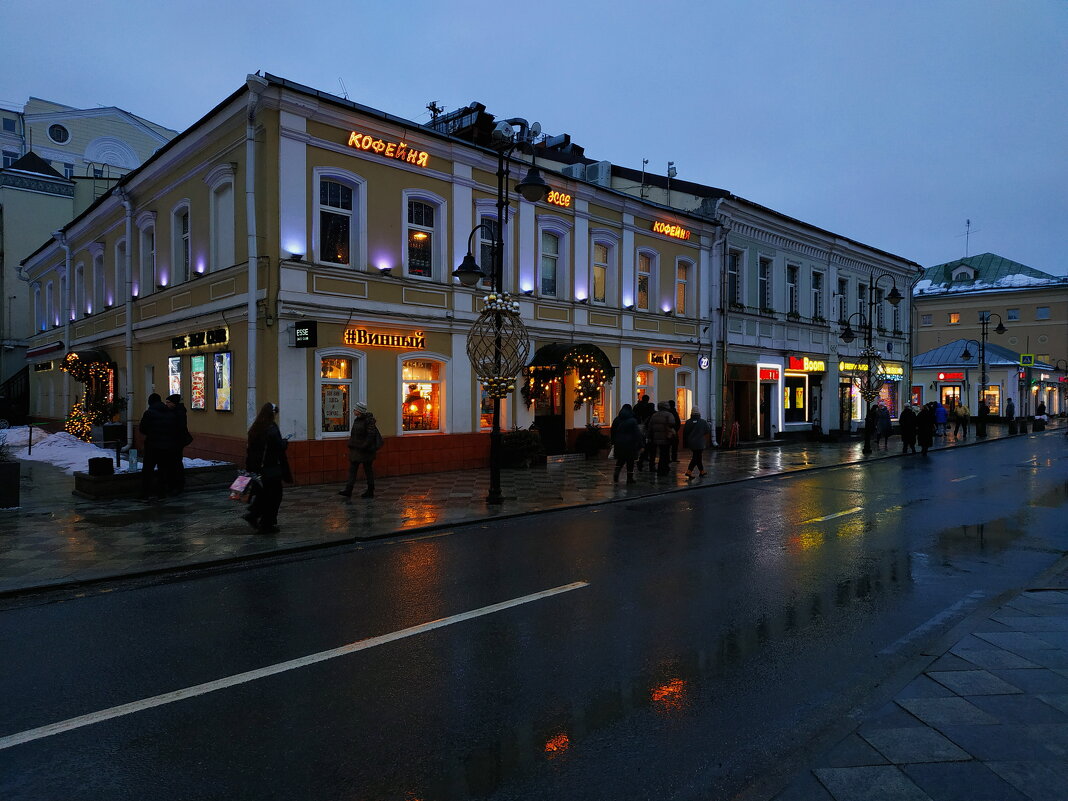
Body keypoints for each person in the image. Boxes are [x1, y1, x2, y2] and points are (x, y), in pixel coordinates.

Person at [244, 402, 291, 534]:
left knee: (263, 495)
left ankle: (254, 515)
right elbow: (278, 446)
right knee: (275, 496)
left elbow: (250, 451)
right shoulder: (272, 428)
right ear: (272, 414)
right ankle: (266, 523)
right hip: (271, 470)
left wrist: (249, 468)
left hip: (257, 470)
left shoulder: (255, 428)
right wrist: (285, 442)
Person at [138, 392, 180, 499]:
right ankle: (161, 493)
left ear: (150, 402)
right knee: (163, 471)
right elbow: (174, 430)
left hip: (152, 446)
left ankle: (145, 494)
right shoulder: (170, 414)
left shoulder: (149, 413)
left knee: (148, 470)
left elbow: (142, 429)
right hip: (166, 447)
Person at [339, 402, 382, 498]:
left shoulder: (368, 421)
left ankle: (370, 490)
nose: (353, 410)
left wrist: (364, 446)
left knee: (368, 470)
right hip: (356, 449)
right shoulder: (357, 420)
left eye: (355, 409)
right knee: (353, 469)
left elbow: (371, 435)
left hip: (365, 451)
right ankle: (348, 489)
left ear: (359, 411)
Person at [610, 404, 644, 484]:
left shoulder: (617, 420)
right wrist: (641, 444)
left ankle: (616, 474)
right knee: (630, 461)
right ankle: (629, 479)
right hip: (630, 443)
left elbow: (612, 431)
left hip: (619, 442)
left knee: (620, 459)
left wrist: (613, 442)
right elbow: (637, 433)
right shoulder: (632, 420)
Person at [166, 393, 193, 493]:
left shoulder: (178, 413)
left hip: (176, 441)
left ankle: (177, 485)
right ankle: (176, 484)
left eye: (168, 402)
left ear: (174, 403)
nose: (166, 404)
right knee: (175, 462)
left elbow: (180, 428)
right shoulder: (177, 411)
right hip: (176, 441)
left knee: (176, 463)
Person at [647, 401, 676, 476]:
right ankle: (663, 469)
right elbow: (672, 424)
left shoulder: (654, 415)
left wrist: (649, 436)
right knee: (665, 453)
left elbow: (650, 427)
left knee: (659, 453)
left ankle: (660, 469)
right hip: (666, 437)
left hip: (656, 437)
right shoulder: (669, 415)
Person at [682, 408, 712, 479]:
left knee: (698, 457)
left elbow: (685, 432)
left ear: (691, 413)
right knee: (696, 457)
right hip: (700, 443)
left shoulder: (688, 422)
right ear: (699, 413)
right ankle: (689, 471)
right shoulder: (703, 422)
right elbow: (707, 431)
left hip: (691, 443)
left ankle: (702, 471)